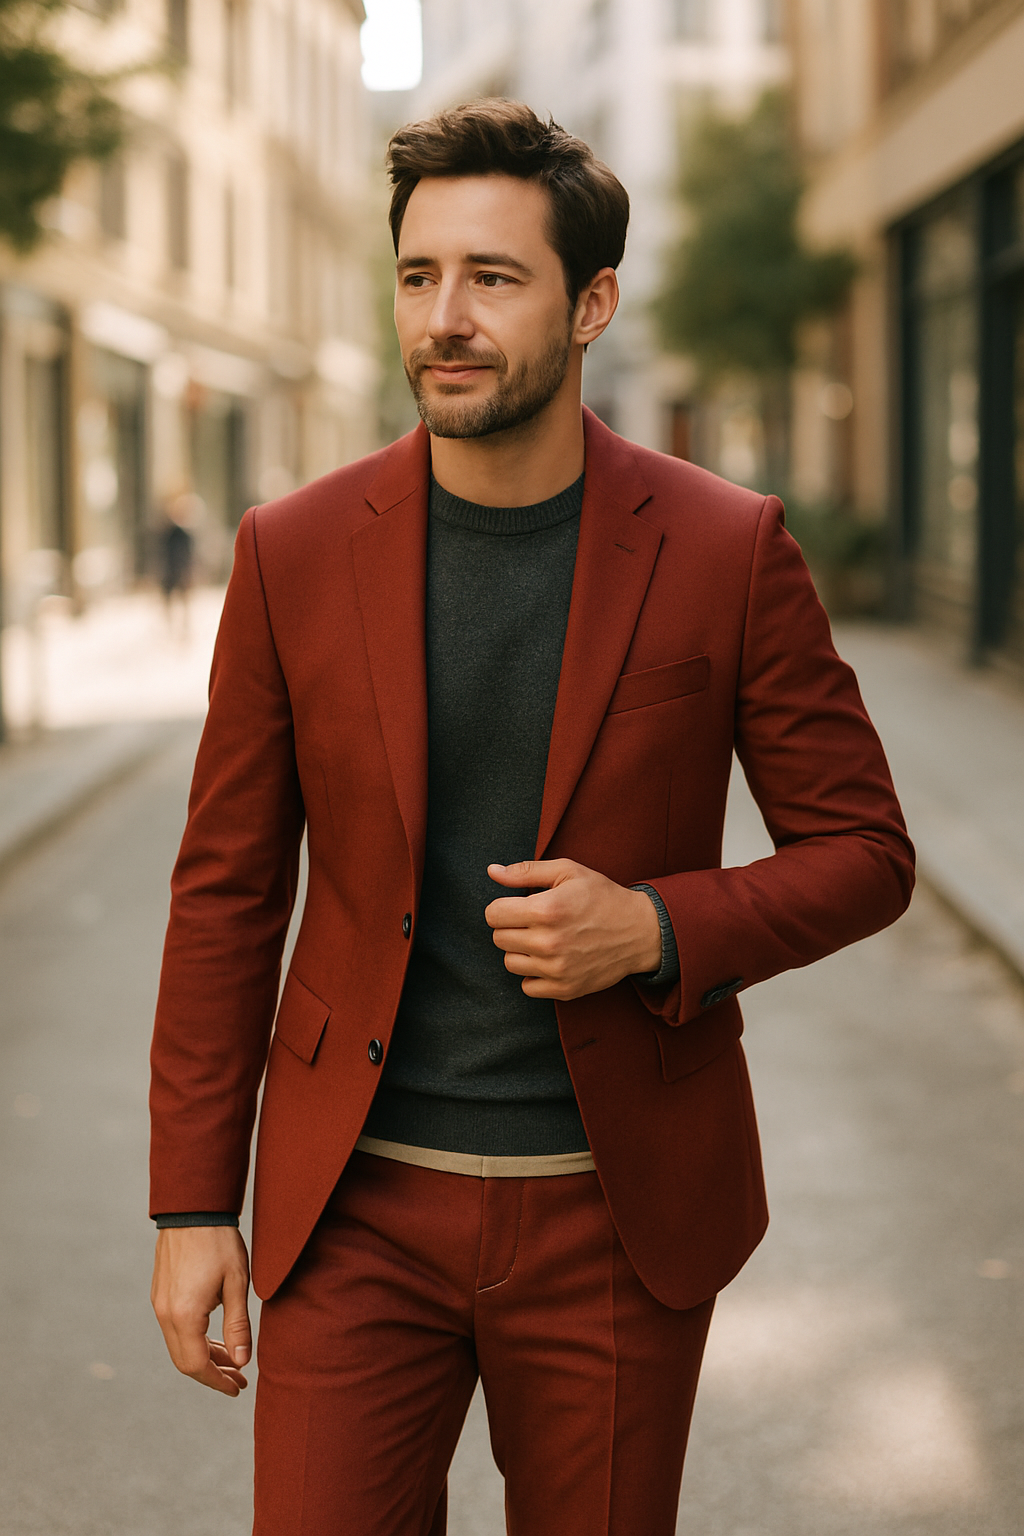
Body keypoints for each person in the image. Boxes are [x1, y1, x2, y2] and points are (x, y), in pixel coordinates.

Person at [149, 101, 914, 1535]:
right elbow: (225, 894)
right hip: (353, 1215)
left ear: (592, 304)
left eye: (494, 279)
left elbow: (866, 856)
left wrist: (656, 927)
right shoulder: (292, 553)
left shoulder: (725, 547)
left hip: (614, 1218)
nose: (446, 317)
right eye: (419, 275)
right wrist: (192, 1208)